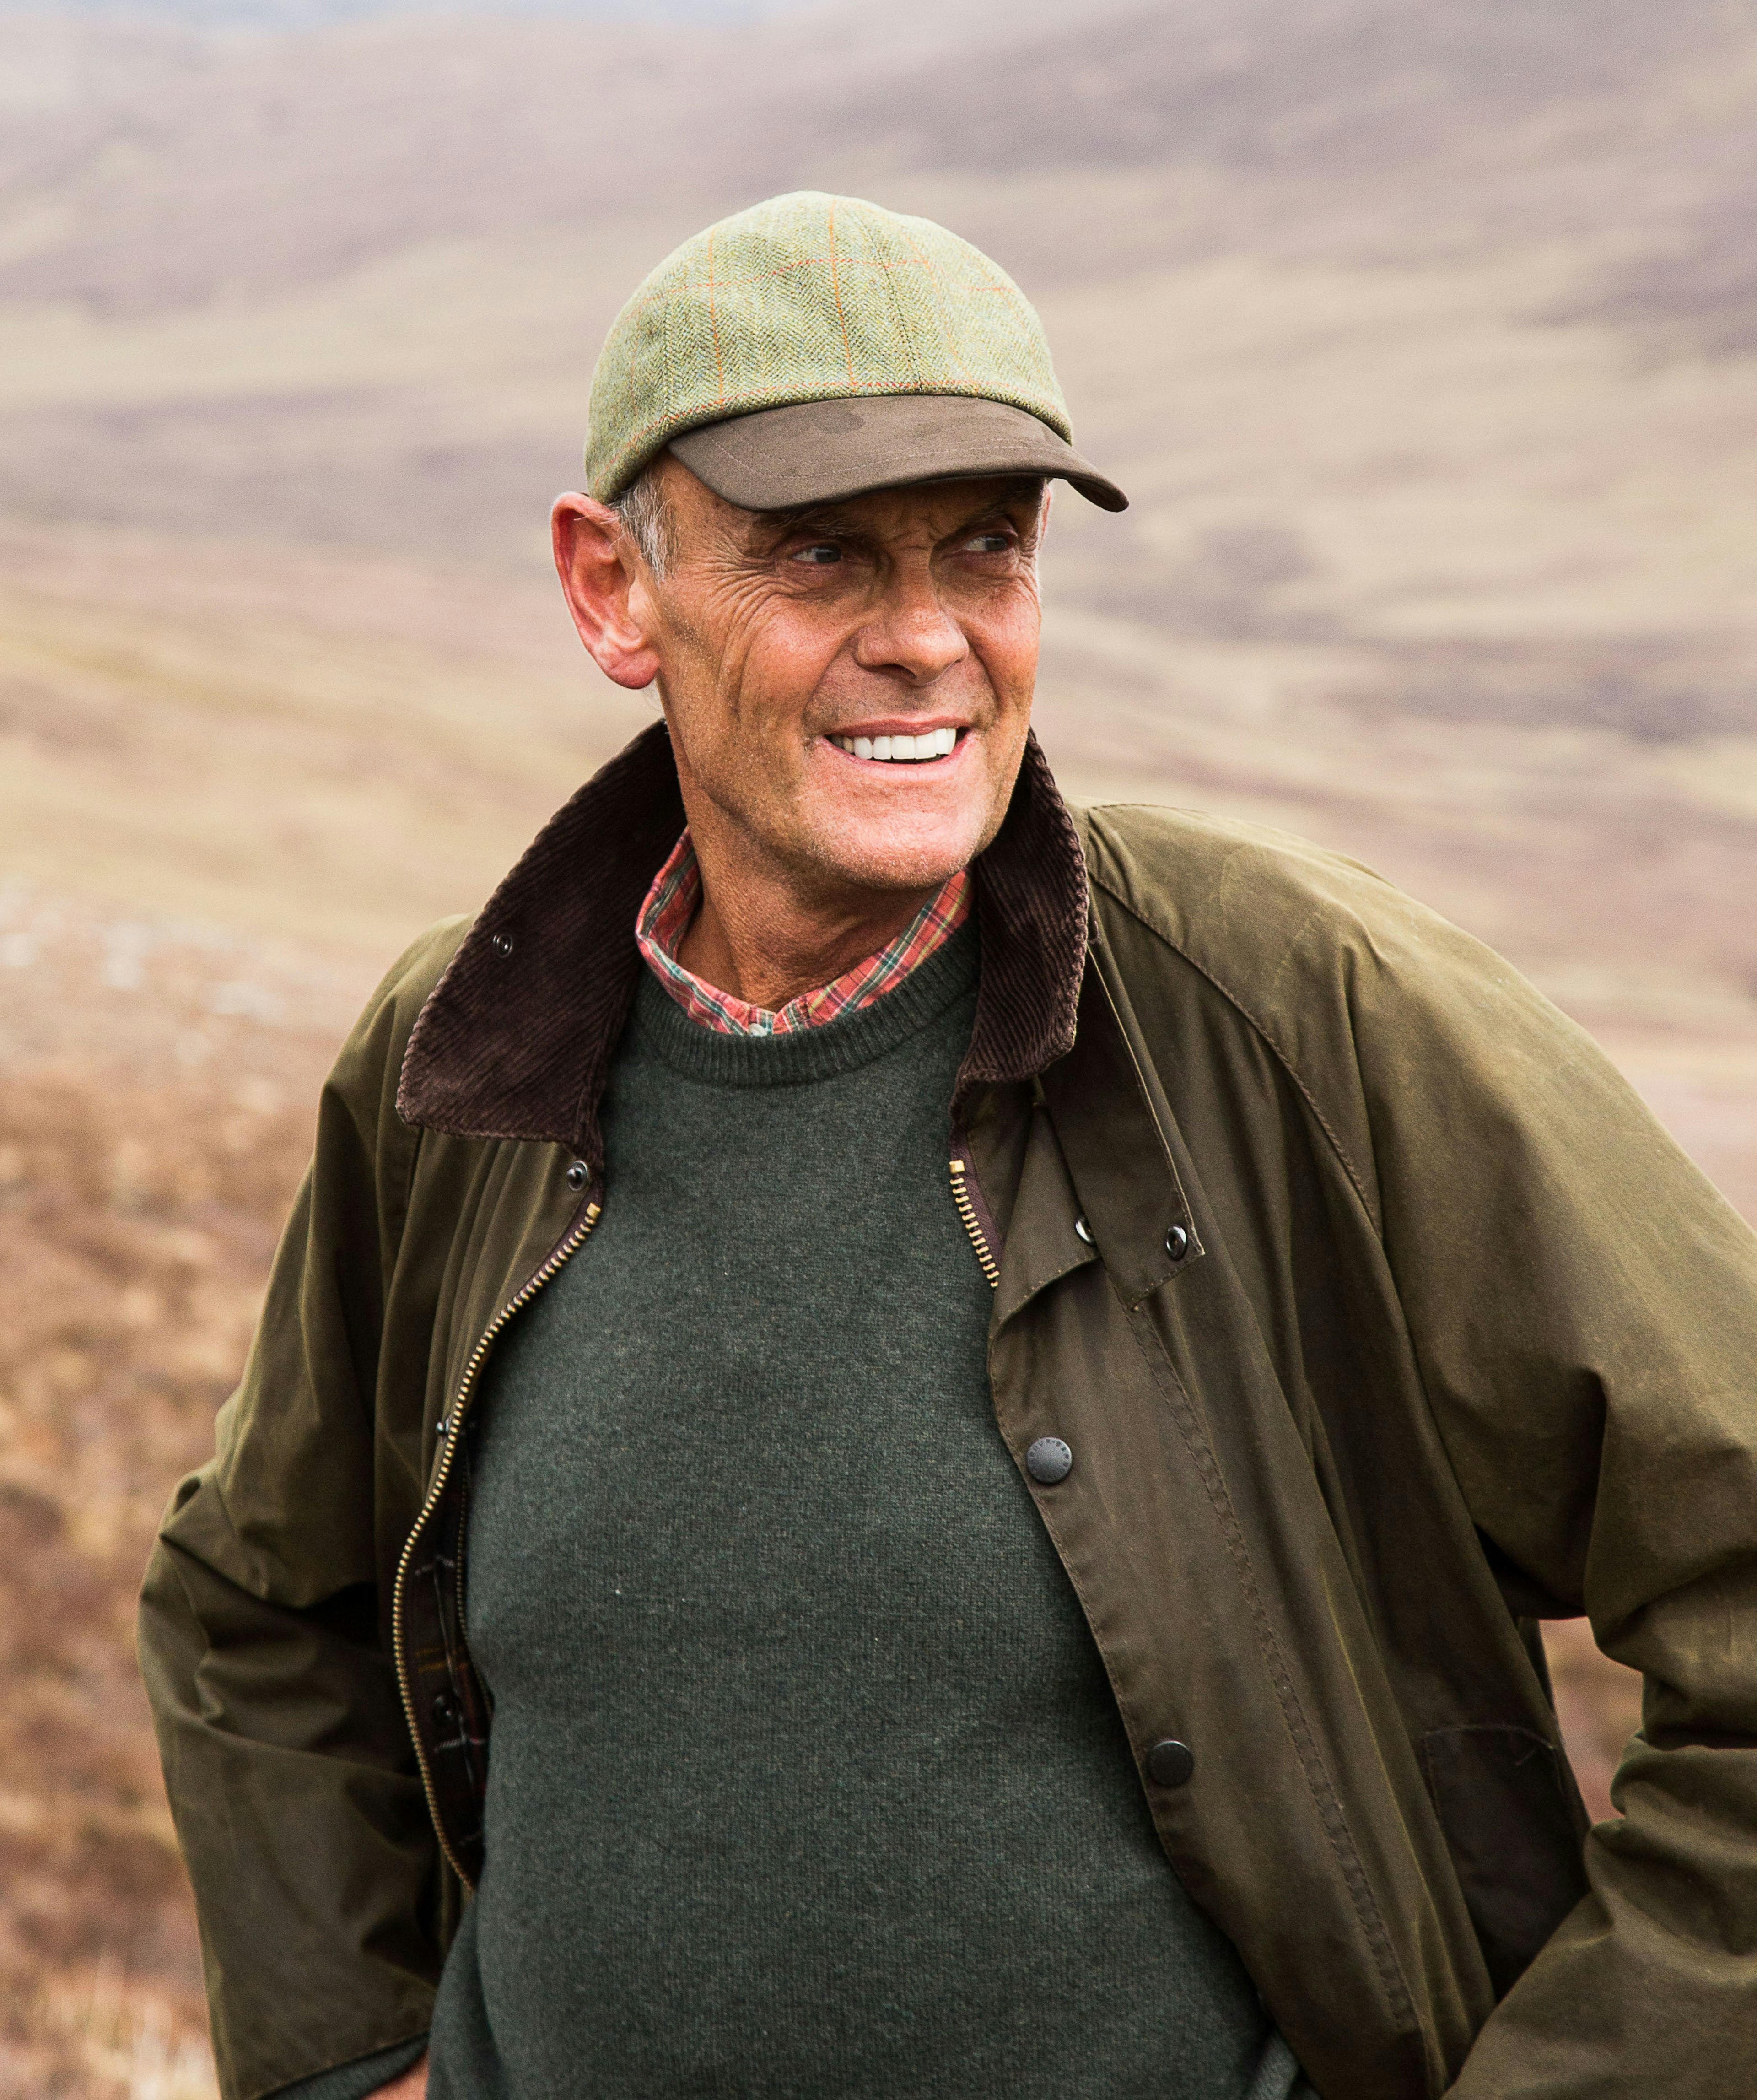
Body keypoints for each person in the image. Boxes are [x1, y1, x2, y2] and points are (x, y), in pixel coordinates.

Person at [139, 191, 1757, 2100]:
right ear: (609, 589)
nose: (926, 641)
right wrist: (353, 2060)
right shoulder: (464, 1063)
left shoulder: (1291, 1007)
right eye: (820, 555)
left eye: (985, 546)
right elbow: (257, 1602)